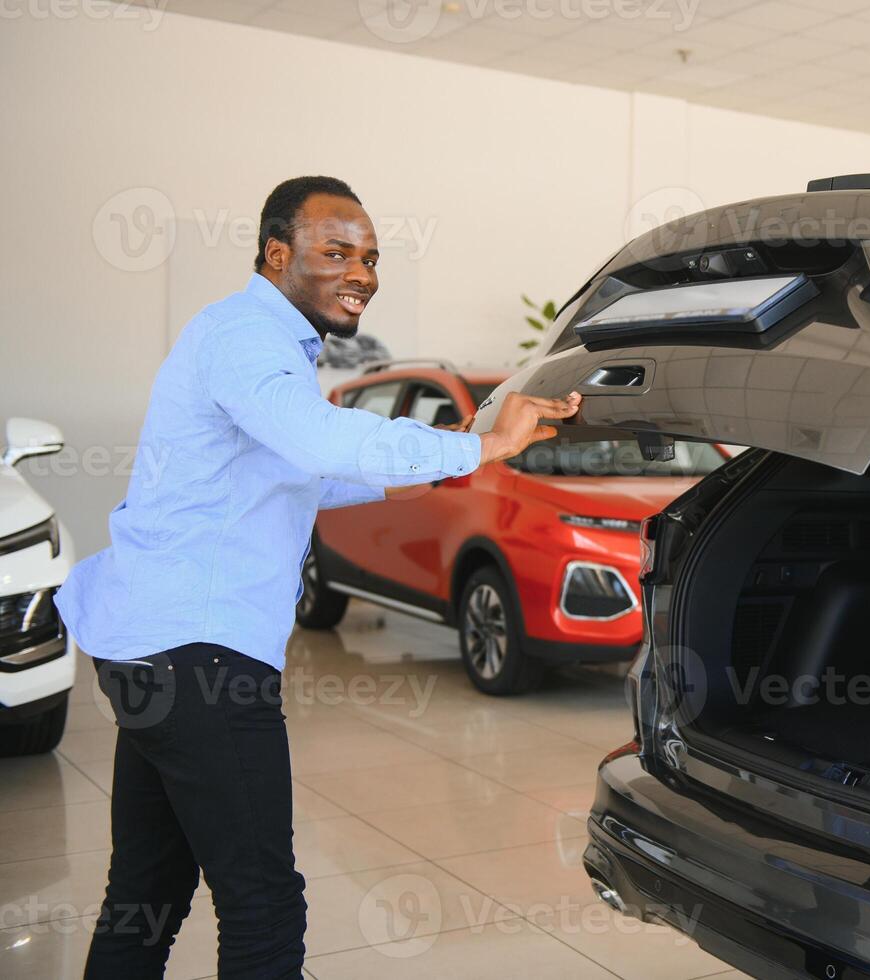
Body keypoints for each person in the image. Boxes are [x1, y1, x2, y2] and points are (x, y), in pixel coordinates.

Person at [55, 175, 580, 979]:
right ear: (276, 254)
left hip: (149, 646)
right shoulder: (246, 337)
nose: (361, 271)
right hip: (199, 653)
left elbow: (314, 477)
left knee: (146, 894)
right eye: (336, 250)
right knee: (262, 902)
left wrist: (474, 436)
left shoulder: (250, 343)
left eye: (370, 256)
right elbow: (322, 443)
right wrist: (480, 450)